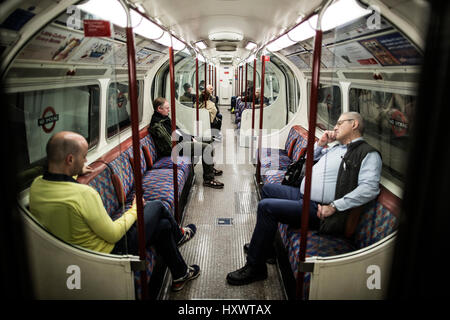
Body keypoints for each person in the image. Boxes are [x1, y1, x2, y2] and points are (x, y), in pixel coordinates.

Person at [29, 131, 200, 292]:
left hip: (73, 255)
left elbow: (61, 178)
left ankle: (180, 274)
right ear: (70, 160)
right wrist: (135, 209)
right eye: (83, 157)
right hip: (108, 254)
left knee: (163, 226)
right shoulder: (83, 194)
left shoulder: (37, 186)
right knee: (157, 205)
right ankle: (179, 236)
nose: (86, 159)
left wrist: (76, 171)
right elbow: (113, 235)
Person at [226, 112, 382, 285]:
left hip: (322, 210)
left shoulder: (367, 154)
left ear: (354, 125)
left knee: (266, 207)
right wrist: (321, 144)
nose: (335, 127)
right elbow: (307, 161)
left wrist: (335, 206)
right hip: (304, 196)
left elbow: (369, 188)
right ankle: (266, 248)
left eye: (339, 123)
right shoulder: (336, 147)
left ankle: (255, 268)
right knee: (269, 189)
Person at [149, 97, 224, 189]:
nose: (169, 110)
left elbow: (178, 130)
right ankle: (208, 179)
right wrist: (187, 140)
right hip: (174, 148)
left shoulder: (164, 117)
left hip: (179, 142)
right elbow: (170, 141)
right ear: (159, 109)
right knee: (206, 148)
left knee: (208, 139)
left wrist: (191, 137)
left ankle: (210, 169)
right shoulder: (157, 124)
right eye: (167, 108)